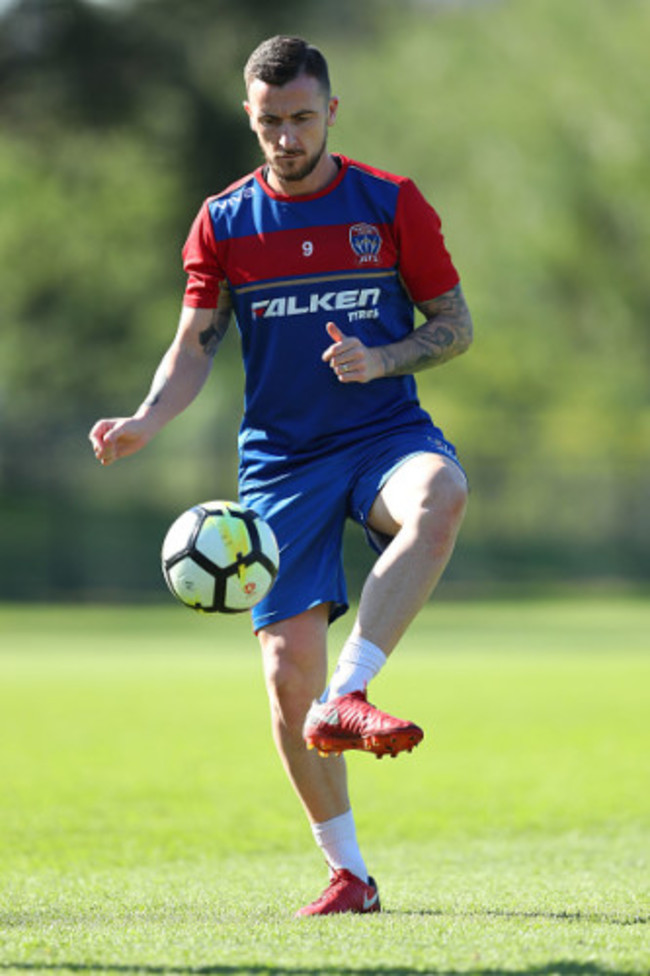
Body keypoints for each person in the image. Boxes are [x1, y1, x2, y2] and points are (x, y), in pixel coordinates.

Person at [89, 35, 473, 917]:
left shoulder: (389, 203)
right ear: (251, 119)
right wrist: (148, 418)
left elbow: (454, 324)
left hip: (384, 431)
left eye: (302, 119)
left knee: (441, 495)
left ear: (331, 111)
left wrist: (384, 358)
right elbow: (194, 343)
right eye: (270, 123)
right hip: (281, 462)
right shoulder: (224, 220)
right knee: (283, 675)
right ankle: (350, 875)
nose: (287, 138)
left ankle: (353, 691)